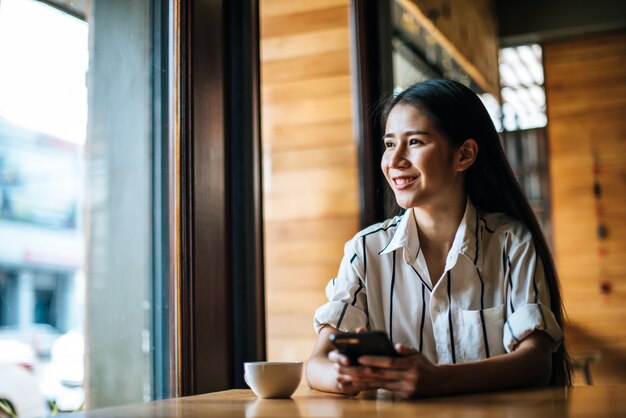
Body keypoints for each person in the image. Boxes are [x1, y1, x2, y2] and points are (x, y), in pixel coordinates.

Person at [306, 79, 571, 399]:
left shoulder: (511, 244)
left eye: (414, 142)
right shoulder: (365, 251)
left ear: (465, 155)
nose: (395, 160)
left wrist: (437, 380)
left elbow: (536, 362)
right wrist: (342, 374)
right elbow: (316, 364)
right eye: (390, 144)